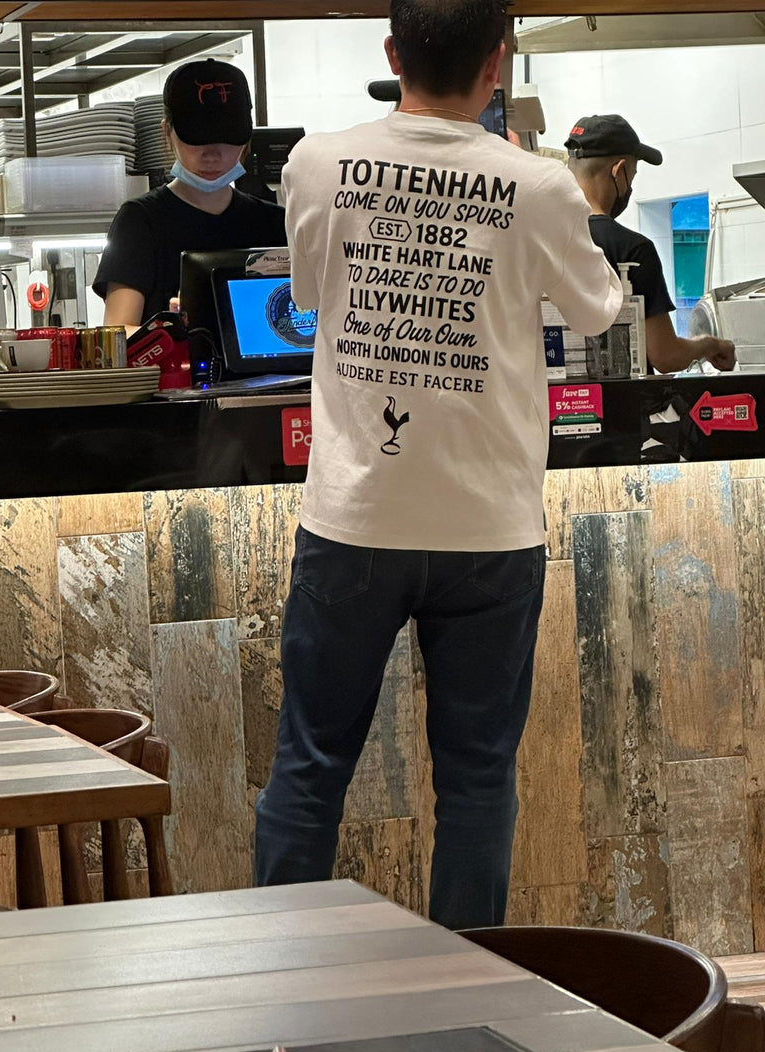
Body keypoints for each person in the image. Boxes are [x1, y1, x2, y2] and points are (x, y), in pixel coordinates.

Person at [253, 0, 623, 930]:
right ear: (497, 64)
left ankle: (277, 986)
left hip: (354, 517)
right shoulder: (539, 185)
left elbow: (308, 292)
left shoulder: (318, 163)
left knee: (310, 764)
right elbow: (597, 310)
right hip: (489, 528)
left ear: (392, 53)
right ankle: (468, 992)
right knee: (477, 778)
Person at [93, 58, 286, 333]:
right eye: (197, 140)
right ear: (167, 132)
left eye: (227, 139)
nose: (212, 155)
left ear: (246, 140)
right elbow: (117, 332)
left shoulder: (274, 223)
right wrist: (172, 329)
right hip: (172, 363)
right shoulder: (140, 222)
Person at [565, 114, 735, 374]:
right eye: (632, 176)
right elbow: (665, 356)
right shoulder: (633, 249)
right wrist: (709, 344)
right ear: (618, 171)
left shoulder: (543, 236)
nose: (630, 186)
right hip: (623, 399)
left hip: (552, 398)